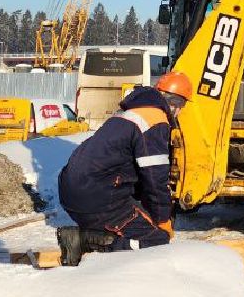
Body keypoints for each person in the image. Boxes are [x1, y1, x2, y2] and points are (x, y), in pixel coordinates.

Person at [55, 71, 192, 264]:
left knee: (134, 220)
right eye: (181, 107)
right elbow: (155, 180)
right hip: (97, 196)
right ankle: (84, 241)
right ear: (177, 105)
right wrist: (163, 220)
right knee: (156, 239)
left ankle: (90, 236)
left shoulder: (129, 113)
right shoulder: (155, 120)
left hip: (72, 193)